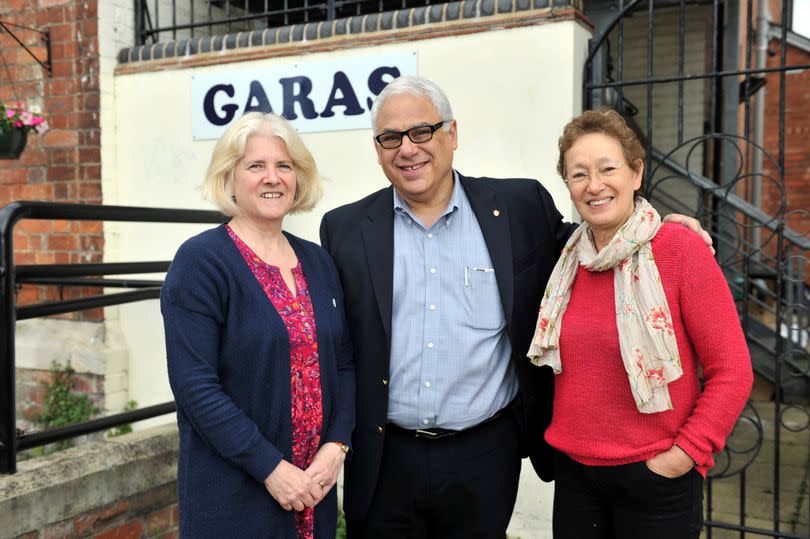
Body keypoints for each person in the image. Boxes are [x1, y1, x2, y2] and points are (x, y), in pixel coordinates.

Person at [319, 75, 711, 538]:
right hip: (385, 457)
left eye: (422, 131)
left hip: (483, 456)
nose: (408, 149)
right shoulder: (343, 230)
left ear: (453, 134)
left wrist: (661, 229)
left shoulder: (519, 206)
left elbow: (596, 243)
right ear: (378, 147)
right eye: (390, 137)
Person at [527, 108, 752, 539]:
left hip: (656, 479)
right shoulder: (566, 263)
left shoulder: (680, 250)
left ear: (636, 172)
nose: (594, 185)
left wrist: (685, 454)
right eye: (578, 174)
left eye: (607, 168)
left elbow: (733, 370)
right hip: (576, 477)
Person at [161, 112, 355, 538]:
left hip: (314, 489)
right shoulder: (201, 262)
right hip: (237, 493)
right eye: (256, 166)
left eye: (284, 166)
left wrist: (336, 446)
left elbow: (343, 364)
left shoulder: (318, 262)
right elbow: (195, 386)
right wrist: (270, 467)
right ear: (229, 178)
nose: (273, 178)